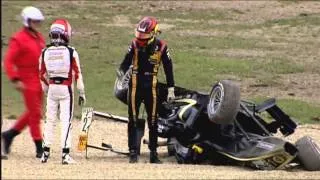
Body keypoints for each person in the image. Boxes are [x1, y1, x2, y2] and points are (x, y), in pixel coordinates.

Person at [119, 16, 175, 163]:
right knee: (133, 119)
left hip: (152, 88)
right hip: (135, 87)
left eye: (144, 35)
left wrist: (171, 89)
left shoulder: (162, 47)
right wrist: (120, 77)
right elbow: (124, 64)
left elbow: (169, 69)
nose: (141, 38)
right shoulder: (134, 44)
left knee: (153, 121)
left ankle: (153, 154)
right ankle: (132, 153)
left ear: (153, 34)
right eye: (139, 34)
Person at [39, 19, 86, 164]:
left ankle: (45, 153)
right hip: (66, 88)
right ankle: (65, 154)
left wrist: (47, 90)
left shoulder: (45, 52)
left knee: (50, 120)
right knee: (66, 121)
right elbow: (78, 74)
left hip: (52, 87)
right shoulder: (71, 52)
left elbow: (41, 74)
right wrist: (82, 93)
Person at [2, 6, 45, 159]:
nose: (37, 23)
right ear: (27, 21)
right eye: (35, 21)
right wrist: (15, 78)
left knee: (35, 112)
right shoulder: (18, 39)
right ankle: (39, 147)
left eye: (39, 21)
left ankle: (9, 135)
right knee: (35, 114)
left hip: (40, 79)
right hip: (27, 80)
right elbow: (7, 61)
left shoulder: (39, 38)